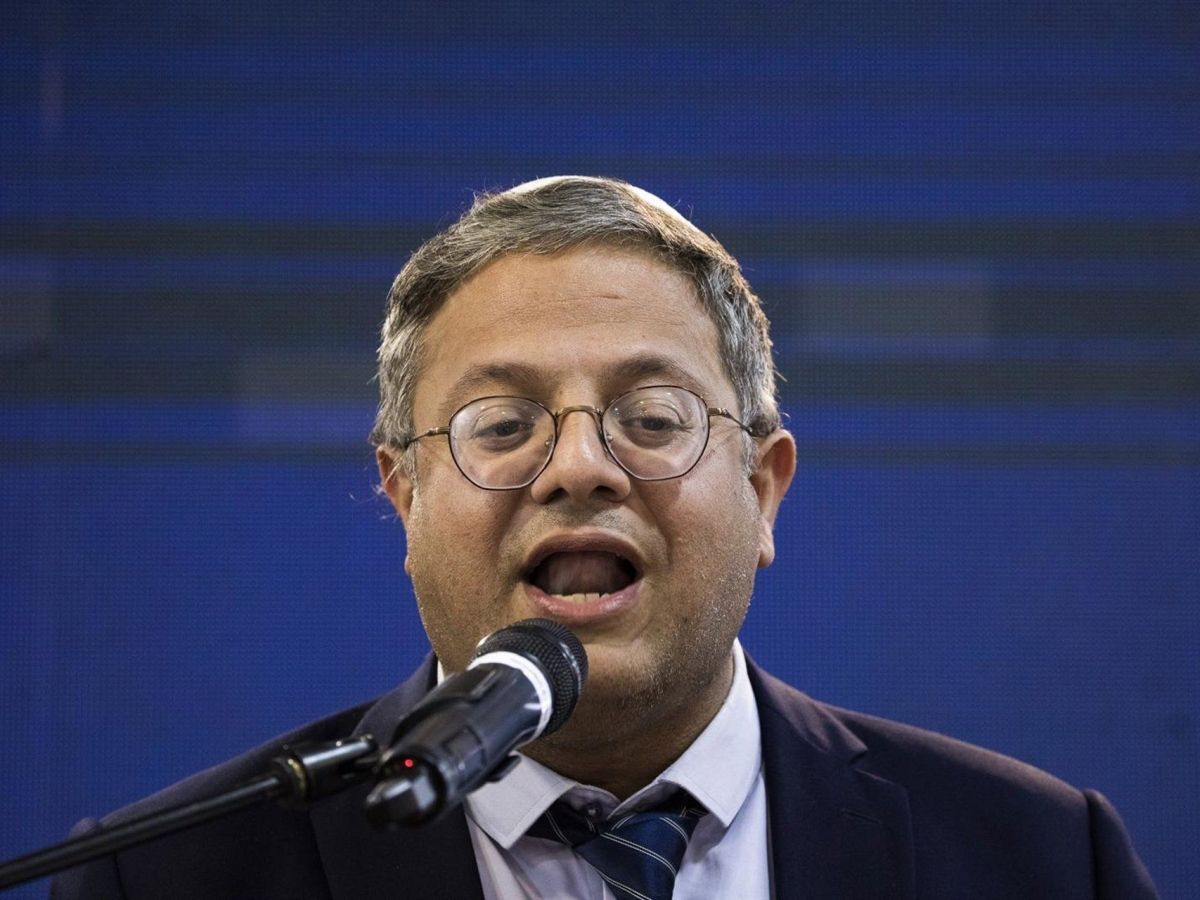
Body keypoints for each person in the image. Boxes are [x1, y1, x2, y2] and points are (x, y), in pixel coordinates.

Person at [52, 176, 1157, 899]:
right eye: (502, 425)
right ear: (404, 497)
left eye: (654, 419)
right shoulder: (170, 879)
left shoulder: (1045, 862)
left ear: (763, 490)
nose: (579, 466)